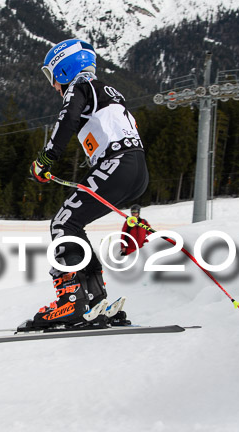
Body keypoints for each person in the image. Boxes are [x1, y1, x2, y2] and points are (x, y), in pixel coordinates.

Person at [20, 39, 149, 331]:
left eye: (52, 76)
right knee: (73, 225)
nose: (53, 85)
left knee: (62, 224)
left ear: (65, 70)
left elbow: (66, 122)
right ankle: (94, 299)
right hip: (136, 168)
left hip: (117, 164)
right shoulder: (109, 91)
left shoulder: (79, 88)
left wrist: (45, 160)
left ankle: (72, 301)